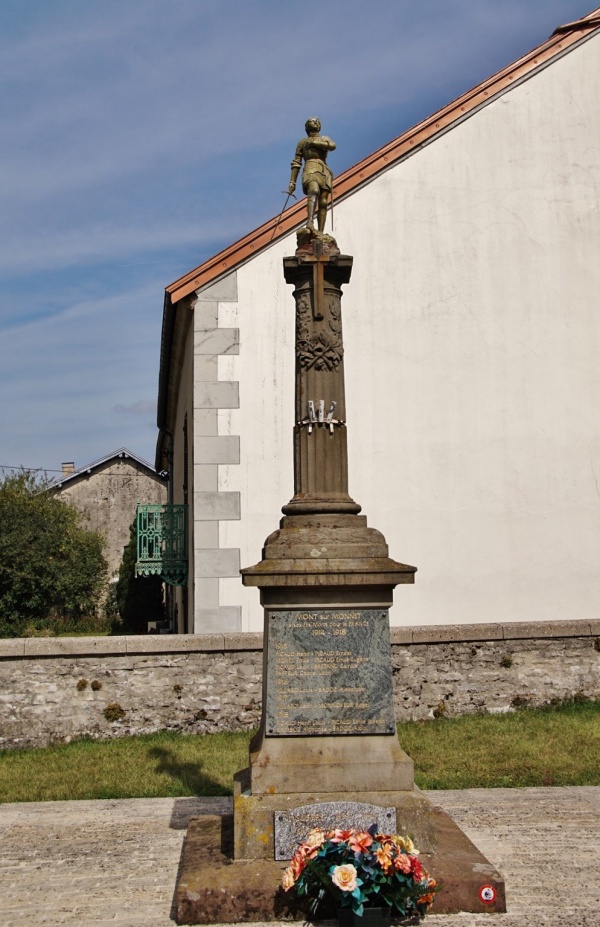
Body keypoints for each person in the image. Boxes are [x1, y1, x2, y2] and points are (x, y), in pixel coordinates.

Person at [288, 117, 336, 234]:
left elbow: (332, 146)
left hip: (323, 170)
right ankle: (310, 221)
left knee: (323, 201)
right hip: (310, 167)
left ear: (319, 126)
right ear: (306, 127)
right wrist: (292, 182)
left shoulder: (324, 138)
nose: (313, 123)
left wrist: (315, 142)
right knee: (313, 190)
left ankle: (320, 231)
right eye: (310, 122)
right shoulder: (302, 143)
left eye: (315, 122)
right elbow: (296, 162)